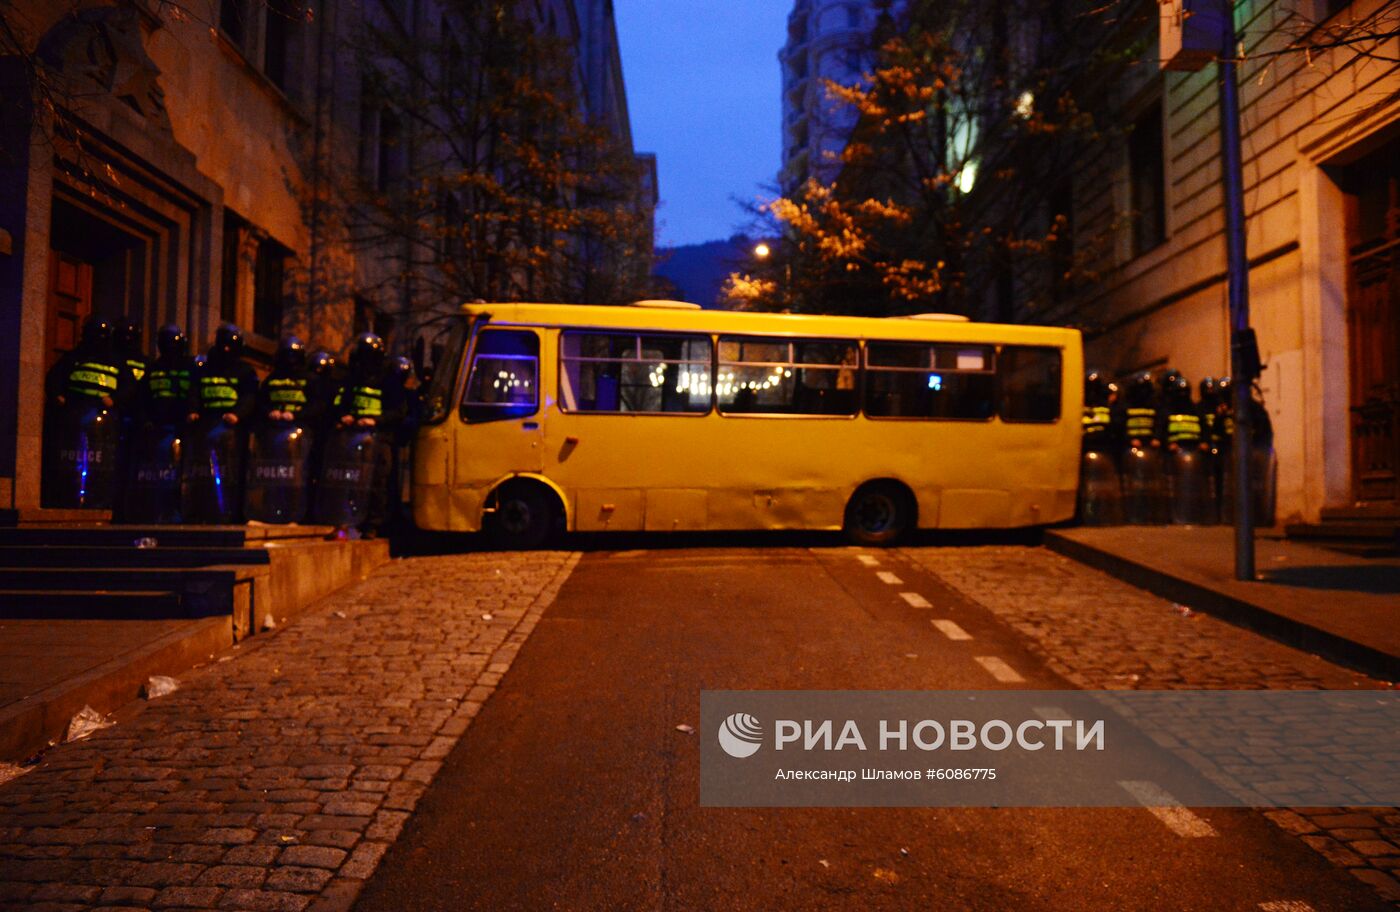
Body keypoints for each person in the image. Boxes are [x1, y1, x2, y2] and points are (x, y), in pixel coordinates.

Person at [42, 316, 131, 508]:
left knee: (101, 465)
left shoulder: (116, 361)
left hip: (103, 421)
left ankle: (99, 500)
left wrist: (114, 399)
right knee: (68, 462)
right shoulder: (74, 357)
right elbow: (54, 378)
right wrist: (58, 396)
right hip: (74, 416)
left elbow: (129, 387)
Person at [245, 336, 327, 524]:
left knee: (297, 478)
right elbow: (260, 402)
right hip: (273, 438)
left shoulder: (310, 380)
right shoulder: (272, 380)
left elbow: (318, 406)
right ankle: (270, 512)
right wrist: (270, 412)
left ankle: (296, 514)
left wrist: (297, 415)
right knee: (273, 477)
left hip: (301, 438)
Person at [182, 323, 257, 522]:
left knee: (230, 474)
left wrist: (237, 414)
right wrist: (193, 411)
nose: (226, 350)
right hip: (206, 427)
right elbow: (194, 392)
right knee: (203, 472)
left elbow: (250, 397)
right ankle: (202, 510)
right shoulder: (205, 369)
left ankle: (229, 512)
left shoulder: (245, 371)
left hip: (232, 430)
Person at [313, 333, 389, 528]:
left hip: (377, 438)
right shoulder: (350, 379)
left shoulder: (386, 380)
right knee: (348, 479)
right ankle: (344, 517)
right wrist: (343, 416)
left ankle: (371, 524)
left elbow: (397, 410)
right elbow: (339, 402)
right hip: (351, 437)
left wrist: (376, 420)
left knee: (375, 482)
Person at [124, 324, 193, 522]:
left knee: (179, 475)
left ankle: (177, 512)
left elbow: (194, 396)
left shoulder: (189, 368)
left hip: (183, 431)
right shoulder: (153, 369)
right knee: (159, 476)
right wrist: (146, 420)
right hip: (157, 432)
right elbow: (142, 398)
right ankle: (157, 511)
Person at [1117, 370, 1165, 524]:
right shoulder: (1126, 405)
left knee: (1150, 484)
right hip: (1133, 449)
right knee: (1134, 484)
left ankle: (1150, 514)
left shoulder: (1154, 405)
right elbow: (1120, 425)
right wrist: (1129, 439)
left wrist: (1156, 438)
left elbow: (1160, 423)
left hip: (1150, 449)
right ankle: (1134, 513)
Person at [1078, 370, 1123, 525]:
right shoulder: (1080, 405)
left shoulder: (1106, 406)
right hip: (1087, 452)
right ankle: (1087, 516)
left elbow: (1114, 427)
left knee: (1103, 488)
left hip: (1104, 452)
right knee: (1087, 488)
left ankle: (1103, 515)